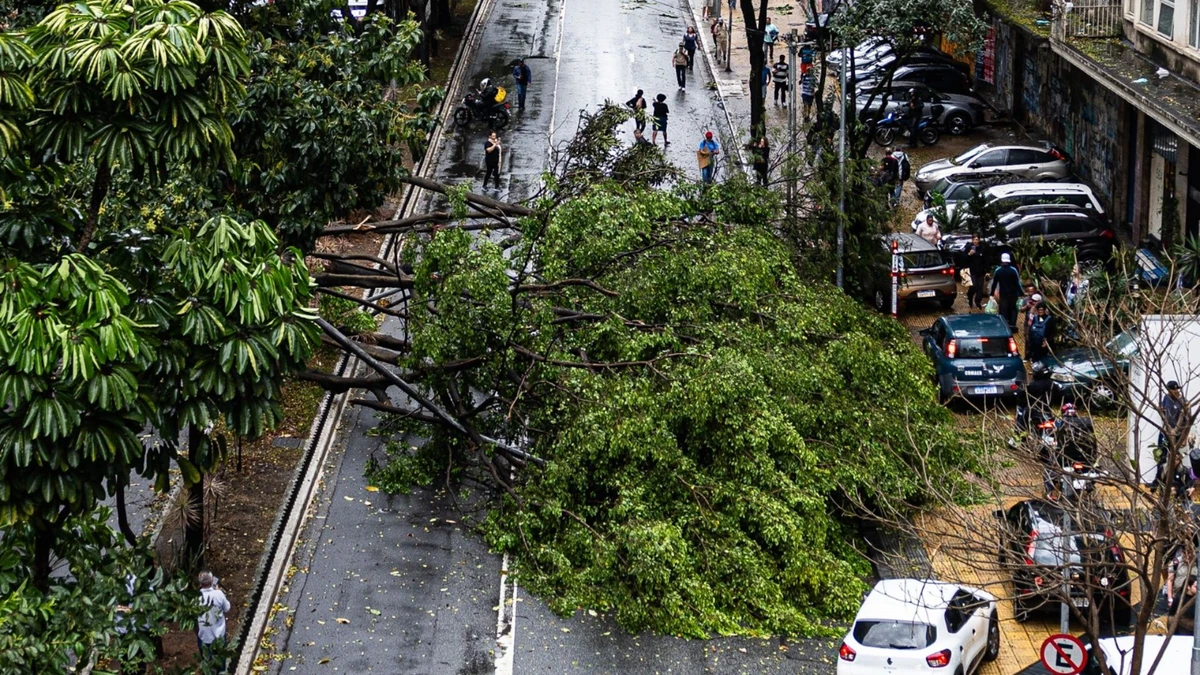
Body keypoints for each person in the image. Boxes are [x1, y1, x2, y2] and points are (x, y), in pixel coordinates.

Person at [197, 571, 230, 670]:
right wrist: (218, 591)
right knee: (221, 665)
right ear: (212, 581)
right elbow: (227, 608)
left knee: (207, 666)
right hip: (219, 637)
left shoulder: (196, 598)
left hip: (204, 637)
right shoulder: (218, 594)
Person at [990, 252, 1023, 331]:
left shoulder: (998, 270)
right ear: (1009, 260)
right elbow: (1017, 282)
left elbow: (994, 283)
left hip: (1003, 294)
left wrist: (991, 294)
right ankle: (1012, 325)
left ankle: (1004, 325)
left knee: (1003, 309)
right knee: (1013, 309)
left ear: (1002, 260)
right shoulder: (1013, 270)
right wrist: (1021, 293)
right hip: (1013, 294)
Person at [964, 234, 987, 308]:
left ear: (979, 240)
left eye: (976, 240)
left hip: (980, 271)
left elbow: (985, 260)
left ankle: (978, 302)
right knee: (974, 286)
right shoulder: (968, 247)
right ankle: (970, 296)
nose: (975, 241)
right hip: (972, 271)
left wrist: (987, 271)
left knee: (980, 288)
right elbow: (964, 258)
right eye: (974, 240)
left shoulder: (982, 248)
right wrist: (969, 254)